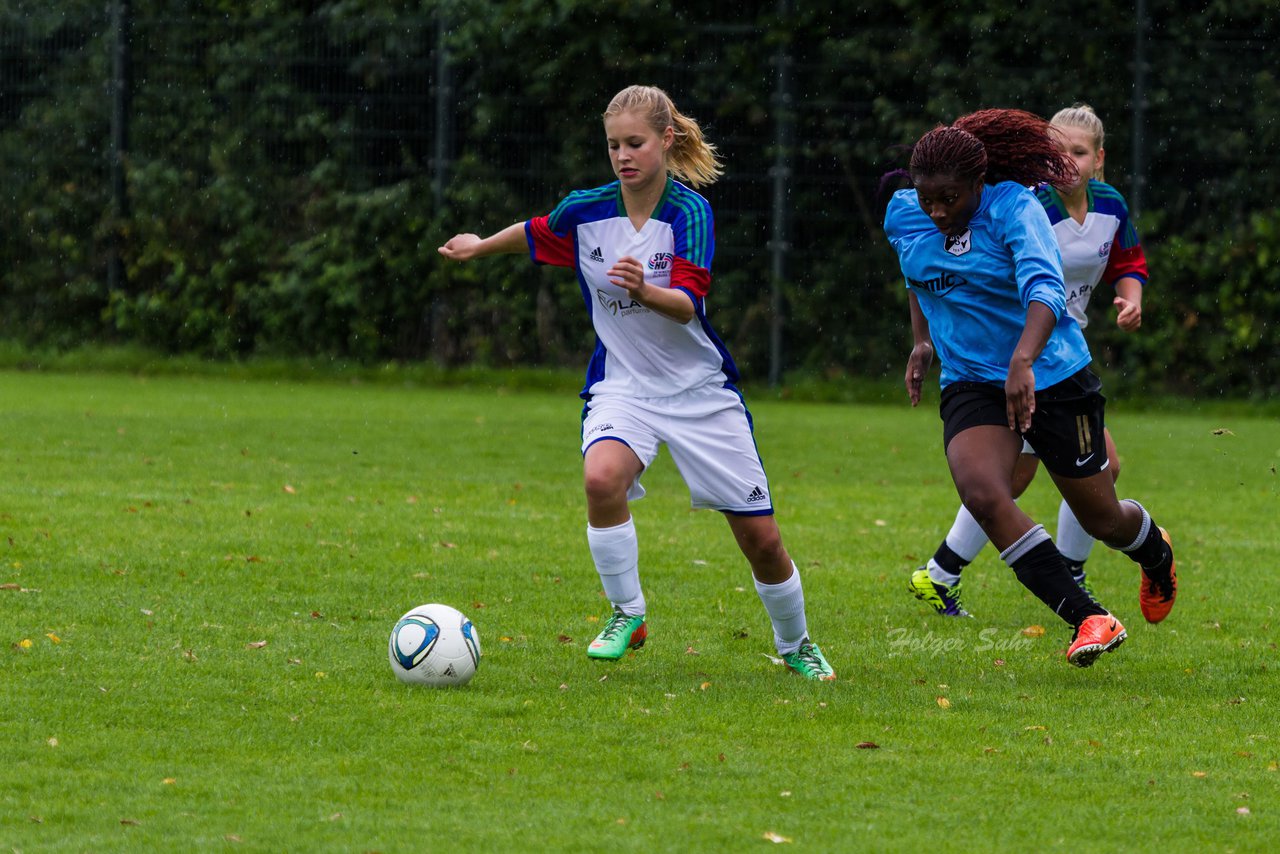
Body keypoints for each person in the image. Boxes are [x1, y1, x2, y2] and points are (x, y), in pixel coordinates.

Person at [438, 84, 835, 681]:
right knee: (601, 479)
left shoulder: (689, 213)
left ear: (665, 141)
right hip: (624, 386)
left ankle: (795, 643)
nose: (623, 155)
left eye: (635, 143)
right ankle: (628, 613)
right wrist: (479, 246)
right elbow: (538, 229)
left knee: (762, 540)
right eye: (614, 145)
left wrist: (643, 290)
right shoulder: (588, 209)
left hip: (700, 393)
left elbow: (687, 304)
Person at [882, 108, 1178, 667]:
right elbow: (914, 277)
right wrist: (922, 341)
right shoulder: (904, 214)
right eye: (928, 199)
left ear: (979, 183)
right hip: (972, 380)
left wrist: (1024, 360)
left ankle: (1155, 553)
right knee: (984, 490)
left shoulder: (1015, 207)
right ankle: (1088, 616)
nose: (938, 211)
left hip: (1057, 375)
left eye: (951, 198)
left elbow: (1045, 289)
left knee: (1102, 519)